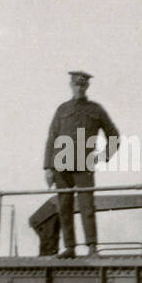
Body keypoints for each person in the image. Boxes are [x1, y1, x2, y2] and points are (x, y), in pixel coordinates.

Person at [43, 70, 119, 257]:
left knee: (87, 207)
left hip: (84, 166)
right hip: (61, 165)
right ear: (71, 85)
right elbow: (52, 138)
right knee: (64, 207)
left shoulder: (96, 110)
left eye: (83, 85)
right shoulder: (62, 110)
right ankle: (70, 247)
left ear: (87, 86)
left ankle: (92, 246)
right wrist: (48, 168)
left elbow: (114, 136)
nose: (80, 87)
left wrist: (102, 157)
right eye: (76, 84)